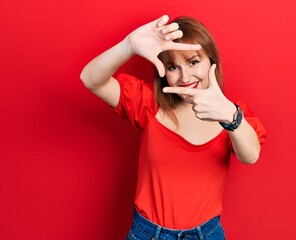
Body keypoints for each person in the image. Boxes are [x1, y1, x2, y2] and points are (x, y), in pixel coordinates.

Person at [80, 14, 266, 240]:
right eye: (173, 67)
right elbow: (90, 79)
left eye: (194, 62)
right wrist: (129, 45)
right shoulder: (148, 103)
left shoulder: (232, 114)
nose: (185, 76)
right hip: (148, 234)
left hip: (206, 234)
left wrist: (230, 116)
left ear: (212, 61)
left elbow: (251, 155)